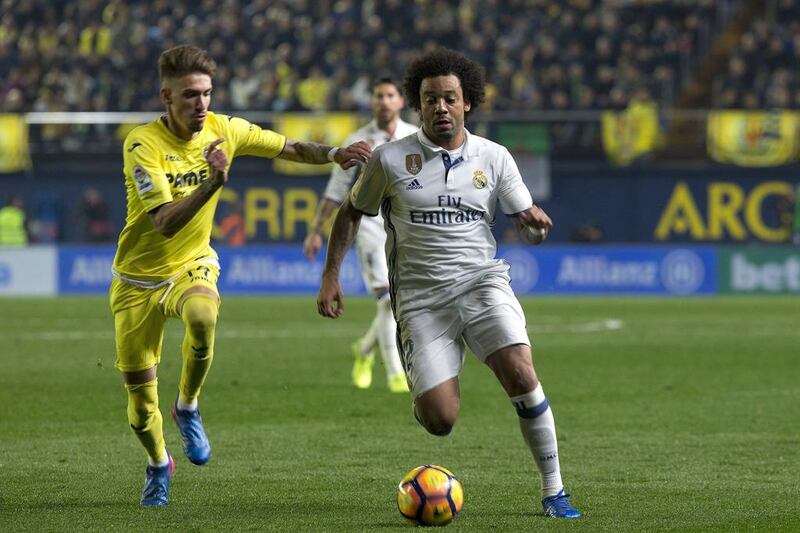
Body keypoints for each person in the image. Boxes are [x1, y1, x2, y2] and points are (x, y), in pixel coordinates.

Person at [317, 49, 580, 519]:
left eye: (450, 99)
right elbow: (351, 212)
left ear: (468, 104)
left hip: (481, 284)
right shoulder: (390, 159)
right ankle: (429, 389)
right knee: (440, 421)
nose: (441, 107)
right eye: (431, 99)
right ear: (418, 106)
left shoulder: (494, 158)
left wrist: (535, 227)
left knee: (520, 370)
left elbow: (528, 222)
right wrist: (331, 275)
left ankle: (554, 489)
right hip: (420, 301)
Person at [110, 44, 370, 507]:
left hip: (190, 265)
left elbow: (288, 147)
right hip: (135, 281)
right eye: (190, 95)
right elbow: (166, 221)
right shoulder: (141, 144)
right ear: (166, 96)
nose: (201, 104)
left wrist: (334, 152)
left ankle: (187, 405)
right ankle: (157, 463)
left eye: (207, 93)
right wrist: (212, 183)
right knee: (139, 405)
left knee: (203, 317)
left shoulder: (224, 129)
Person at [304, 78, 418, 393]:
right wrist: (317, 230)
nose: (384, 100)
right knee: (386, 298)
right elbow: (337, 190)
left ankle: (364, 350)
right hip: (369, 227)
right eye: (378, 95)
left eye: (390, 95)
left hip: (405, 227)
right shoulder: (359, 139)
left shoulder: (414, 137)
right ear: (372, 102)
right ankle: (397, 373)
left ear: (400, 101)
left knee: (396, 302)